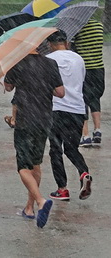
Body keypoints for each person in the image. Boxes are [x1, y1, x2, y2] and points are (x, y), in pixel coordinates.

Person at [4, 50, 64, 228]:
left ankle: (40, 201)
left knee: (23, 166)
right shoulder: (51, 64)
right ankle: (29, 208)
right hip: (44, 120)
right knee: (36, 163)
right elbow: (60, 92)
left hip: (25, 120)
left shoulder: (18, 62)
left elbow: (8, 87)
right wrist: (44, 87)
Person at [45, 30, 92, 201]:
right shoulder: (78, 59)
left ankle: (62, 189)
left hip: (57, 110)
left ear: (50, 44)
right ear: (66, 42)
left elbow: (48, 85)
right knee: (72, 148)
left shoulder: (49, 59)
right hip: (77, 109)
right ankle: (84, 172)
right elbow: (81, 82)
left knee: (55, 149)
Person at [73, 19, 105, 147]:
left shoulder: (78, 27)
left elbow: (74, 48)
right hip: (98, 68)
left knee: (82, 100)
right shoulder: (99, 25)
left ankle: (85, 136)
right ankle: (97, 130)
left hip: (84, 69)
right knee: (95, 98)